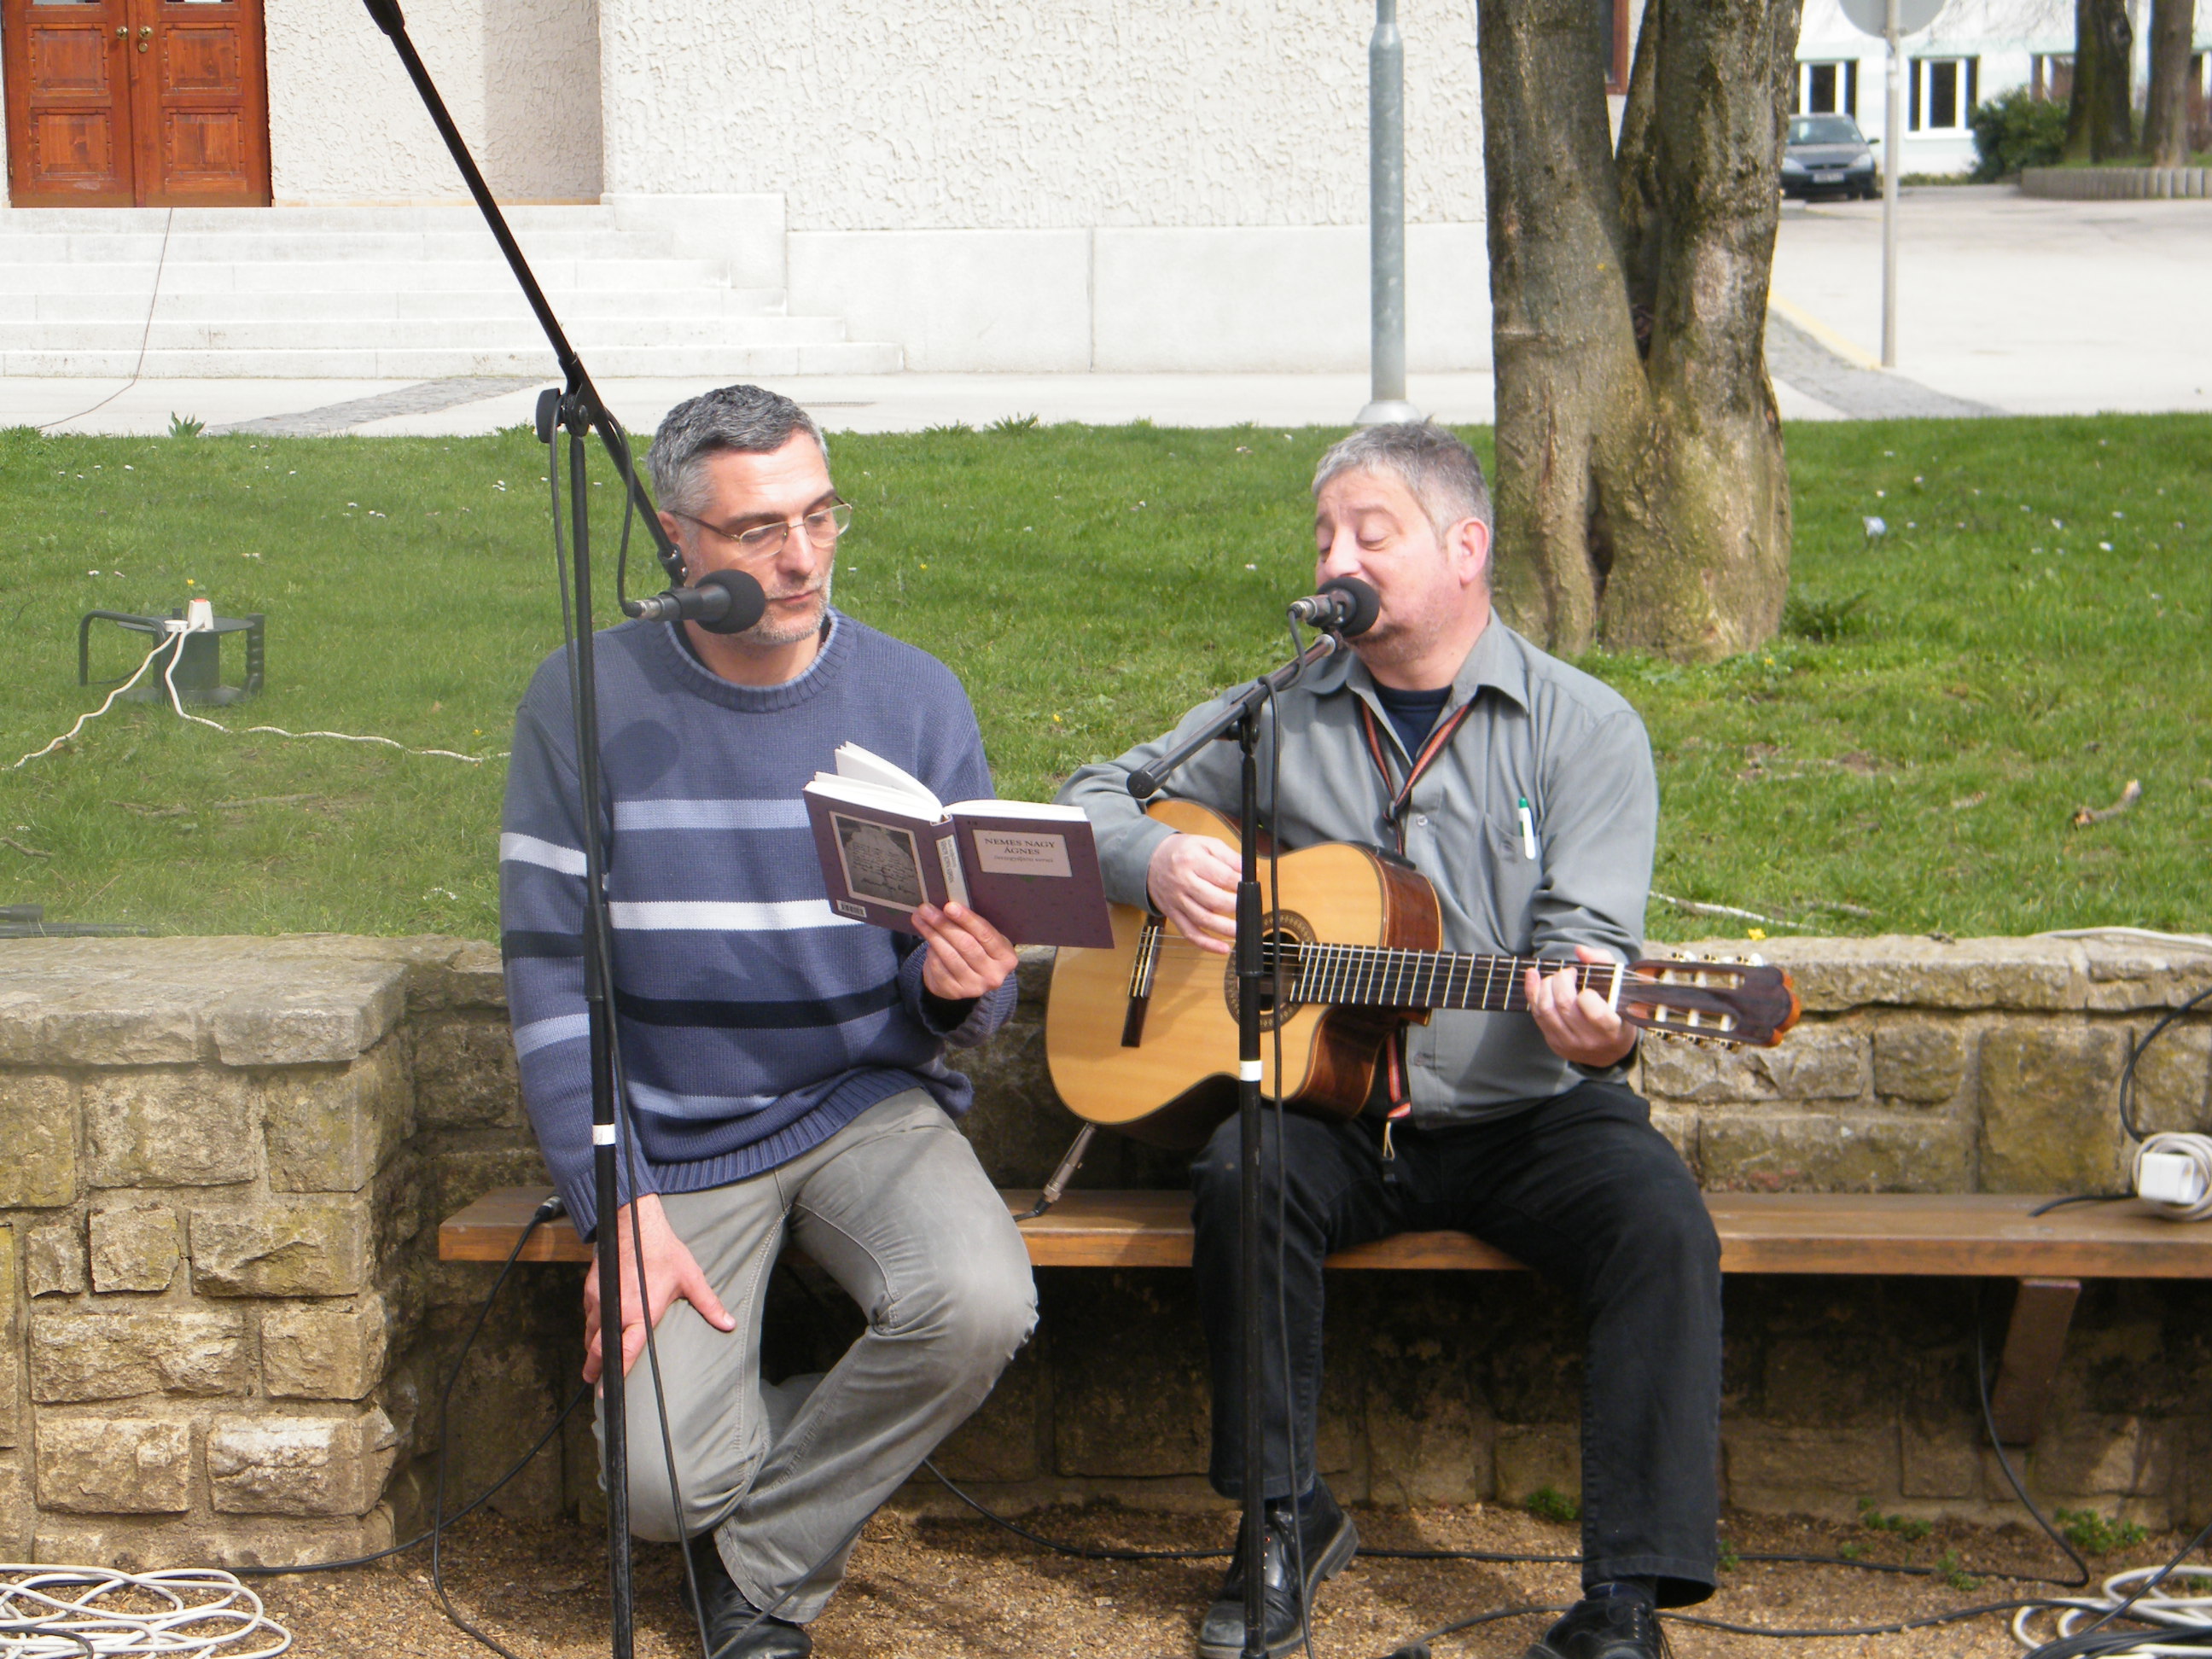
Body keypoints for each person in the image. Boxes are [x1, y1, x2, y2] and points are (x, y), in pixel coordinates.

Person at [1058, 422, 1720, 1659]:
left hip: (1529, 1112)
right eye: (1324, 536)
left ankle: (1626, 1596)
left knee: (1659, 1220)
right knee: (1242, 1174)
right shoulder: (1279, 710)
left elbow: (1589, 950)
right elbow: (1088, 794)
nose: (1336, 560)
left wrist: (1594, 1033)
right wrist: (1156, 861)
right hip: (1335, 1108)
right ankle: (1280, 1521)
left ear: (1466, 548)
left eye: (1371, 533)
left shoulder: (1584, 727)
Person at [499, 384, 1036, 1659]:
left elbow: (975, 991)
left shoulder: (915, 696)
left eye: (819, 516)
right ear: (677, 540)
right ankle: (753, 1446)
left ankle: (761, 1572)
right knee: (656, 1496)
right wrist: (614, 1204)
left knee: (977, 1303)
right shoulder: (583, 699)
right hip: (677, 1135)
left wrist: (957, 983)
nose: (800, 558)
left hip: (865, 1099)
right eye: (757, 530)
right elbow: (548, 978)